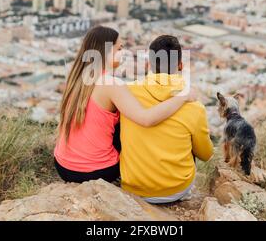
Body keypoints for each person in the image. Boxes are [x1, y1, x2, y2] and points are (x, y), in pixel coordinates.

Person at [54, 27, 196, 183]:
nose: (124, 53)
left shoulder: (77, 77)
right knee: (131, 124)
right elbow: (146, 119)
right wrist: (182, 97)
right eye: (119, 48)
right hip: (96, 172)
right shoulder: (111, 84)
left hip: (62, 166)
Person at [120, 35, 214, 203]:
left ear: (149, 64)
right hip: (175, 190)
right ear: (180, 65)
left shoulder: (126, 93)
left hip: (132, 185)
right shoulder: (194, 106)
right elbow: (206, 154)